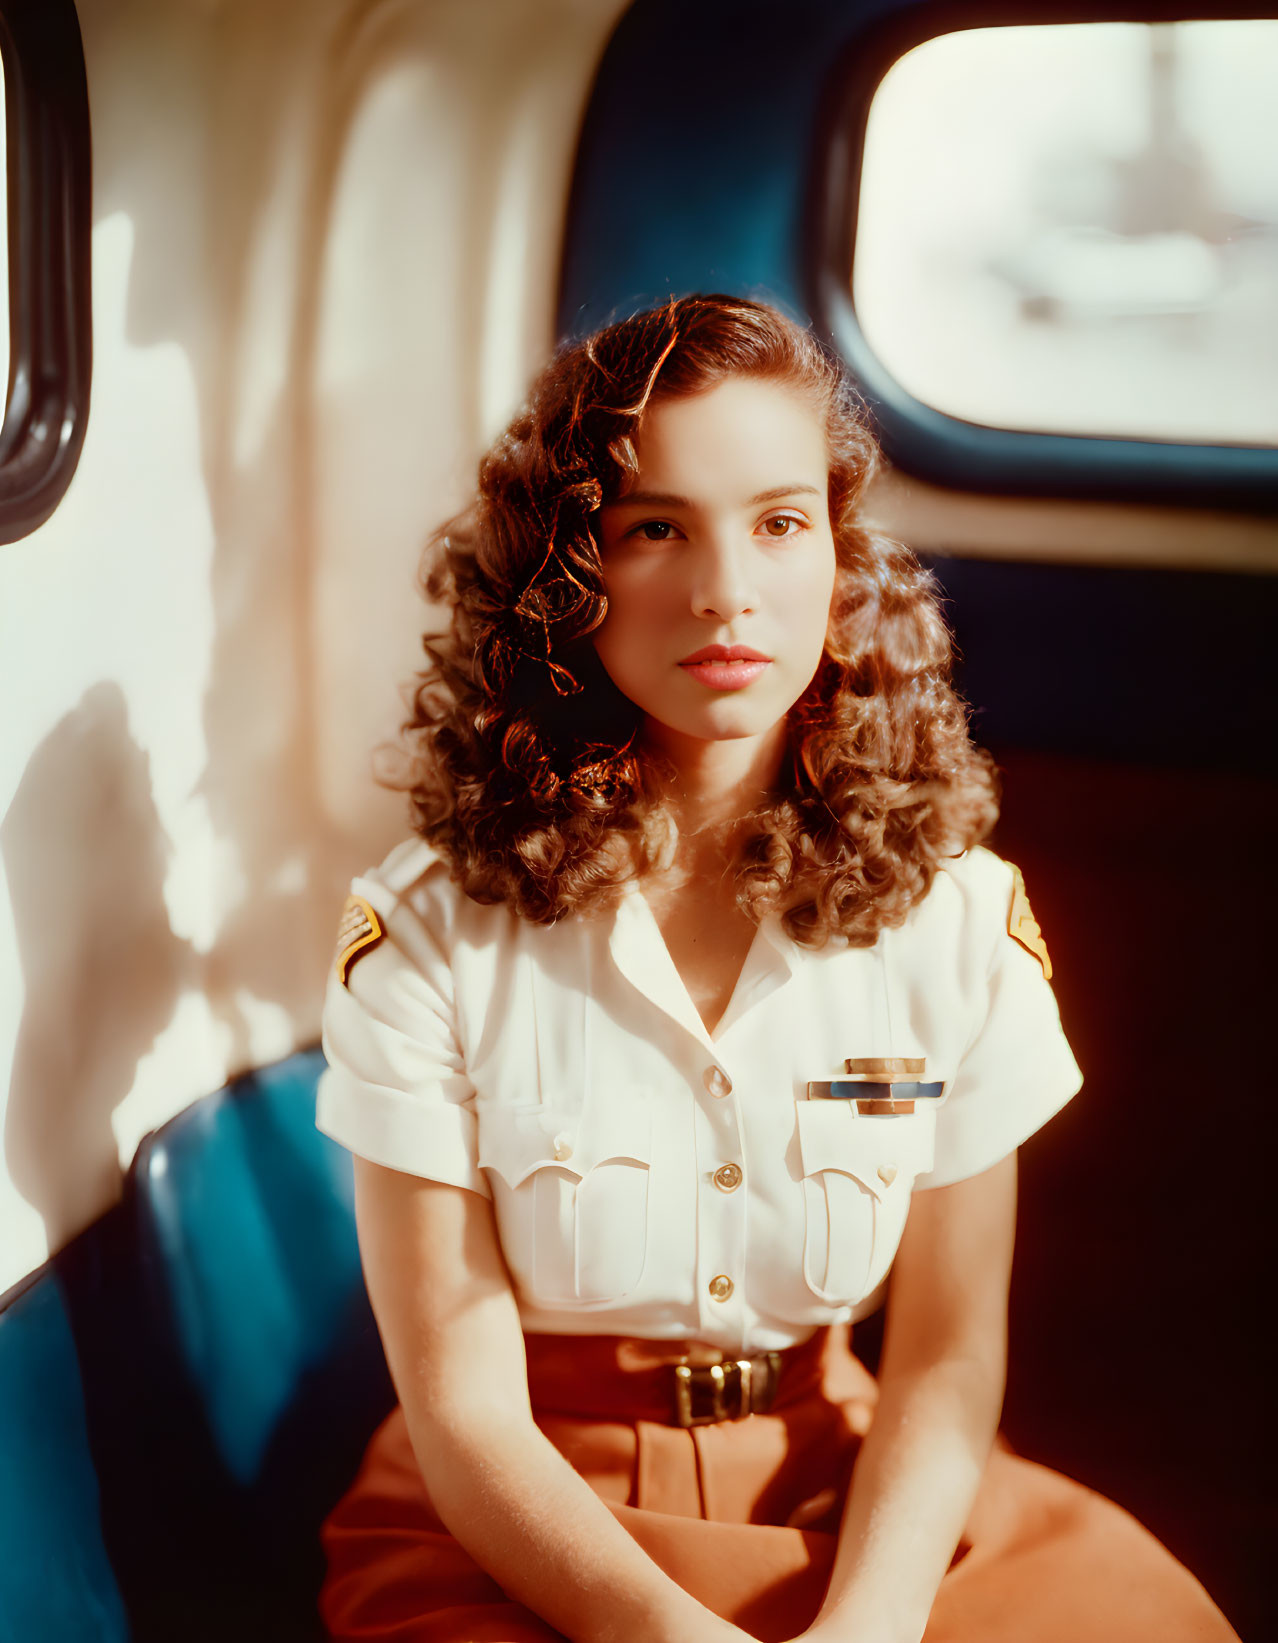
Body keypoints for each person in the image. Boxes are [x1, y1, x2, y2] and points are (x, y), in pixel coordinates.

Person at [315, 295, 1240, 1643]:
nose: (724, 593)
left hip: (854, 1494)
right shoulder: (424, 936)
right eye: (653, 528)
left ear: (837, 557)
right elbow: (462, 1407)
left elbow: (942, 1354)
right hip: (528, 1516)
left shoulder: (960, 925)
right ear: (566, 573)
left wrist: (864, 1629)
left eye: (776, 521)